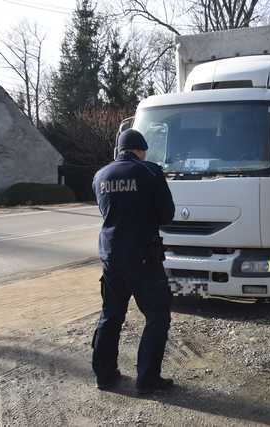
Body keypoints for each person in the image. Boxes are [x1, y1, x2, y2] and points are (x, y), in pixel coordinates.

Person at [91, 129, 176, 394]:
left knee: (111, 315)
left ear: (119, 150)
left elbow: (107, 211)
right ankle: (147, 380)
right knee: (157, 316)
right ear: (140, 150)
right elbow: (167, 214)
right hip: (143, 258)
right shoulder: (149, 171)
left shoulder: (100, 175)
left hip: (111, 258)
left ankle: (104, 376)